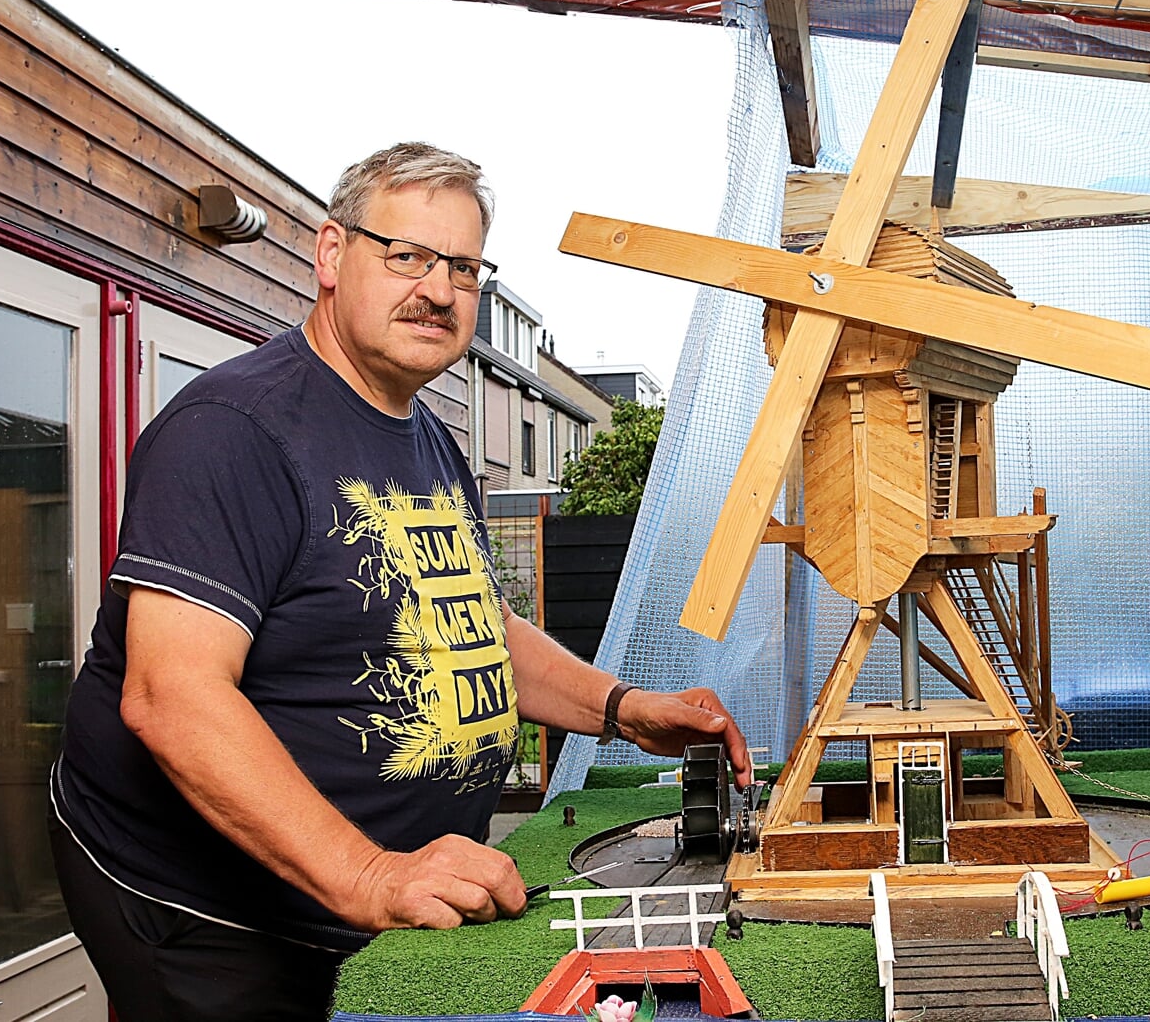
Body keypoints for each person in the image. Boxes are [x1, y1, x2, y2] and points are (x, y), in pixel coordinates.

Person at [49, 142, 751, 1020]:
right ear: (332, 255)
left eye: (462, 267)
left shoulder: (427, 438)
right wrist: (367, 873)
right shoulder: (234, 430)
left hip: (353, 902)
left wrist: (619, 706)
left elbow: (468, 620)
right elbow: (171, 694)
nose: (439, 289)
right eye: (407, 255)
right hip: (212, 910)